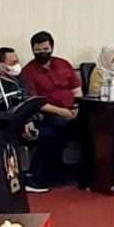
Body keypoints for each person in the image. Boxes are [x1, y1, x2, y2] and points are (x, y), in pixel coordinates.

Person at [0, 47, 59, 192]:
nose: (17, 65)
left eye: (17, 61)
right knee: (47, 137)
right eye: (13, 63)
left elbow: (27, 102)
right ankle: (32, 178)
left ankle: (42, 175)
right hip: (7, 125)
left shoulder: (19, 79)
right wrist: (22, 124)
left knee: (56, 130)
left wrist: (29, 121)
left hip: (26, 121)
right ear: (1, 65)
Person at [21, 31, 83, 185]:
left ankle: (85, 172)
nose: (42, 53)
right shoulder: (28, 71)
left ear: (52, 48)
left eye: (45, 49)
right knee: (60, 125)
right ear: (32, 49)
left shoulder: (63, 64)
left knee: (93, 125)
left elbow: (76, 89)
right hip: (48, 111)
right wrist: (63, 112)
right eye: (38, 50)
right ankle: (57, 169)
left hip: (74, 109)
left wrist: (77, 106)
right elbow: (34, 101)